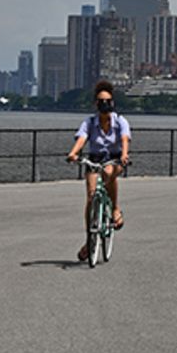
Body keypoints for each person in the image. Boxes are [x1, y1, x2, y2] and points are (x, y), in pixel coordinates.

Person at [66, 81, 131, 262]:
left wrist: (125, 155)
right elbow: (82, 138)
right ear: (96, 103)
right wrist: (73, 153)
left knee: (109, 172)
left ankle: (115, 209)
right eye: (101, 101)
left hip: (114, 157)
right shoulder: (90, 122)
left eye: (108, 101)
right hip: (95, 159)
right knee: (91, 195)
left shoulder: (120, 121)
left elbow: (125, 139)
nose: (105, 104)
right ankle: (90, 239)